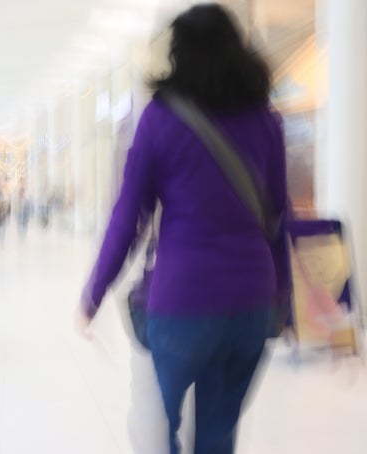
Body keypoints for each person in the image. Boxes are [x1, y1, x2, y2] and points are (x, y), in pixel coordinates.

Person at [80, 4, 289, 454]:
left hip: (183, 303)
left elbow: (128, 217)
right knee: (217, 436)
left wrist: (94, 292)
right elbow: (277, 220)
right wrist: (284, 303)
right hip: (253, 302)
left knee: (160, 432)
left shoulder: (160, 119)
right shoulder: (267, 122)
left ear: (179, 54)